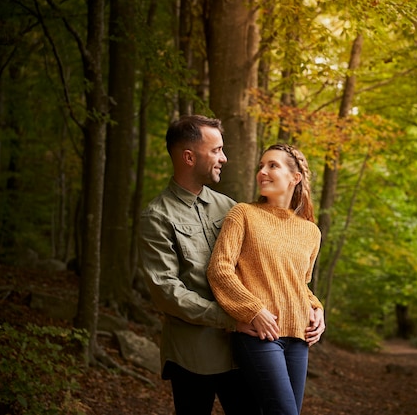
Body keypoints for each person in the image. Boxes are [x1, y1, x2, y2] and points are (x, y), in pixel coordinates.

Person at [137, 115, 260, 415]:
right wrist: (230, 319)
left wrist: (311, 305)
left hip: (242, 348)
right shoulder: (157, 216)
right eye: (216, 150)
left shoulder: (230, 207)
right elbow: (166, 291)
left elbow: (261, 265)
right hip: (193, 355)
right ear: (189, 157)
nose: (224, 158)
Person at [207, 143, 326, 415]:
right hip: (260, 334)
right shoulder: (243, 214)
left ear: (295, 178)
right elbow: (220, 269)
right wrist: (252, 309)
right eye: (261, 166)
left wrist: (317, 308)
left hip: (299, 338)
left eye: (273, 165)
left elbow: (298, 284)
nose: (262, 171)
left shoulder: (311, 231)